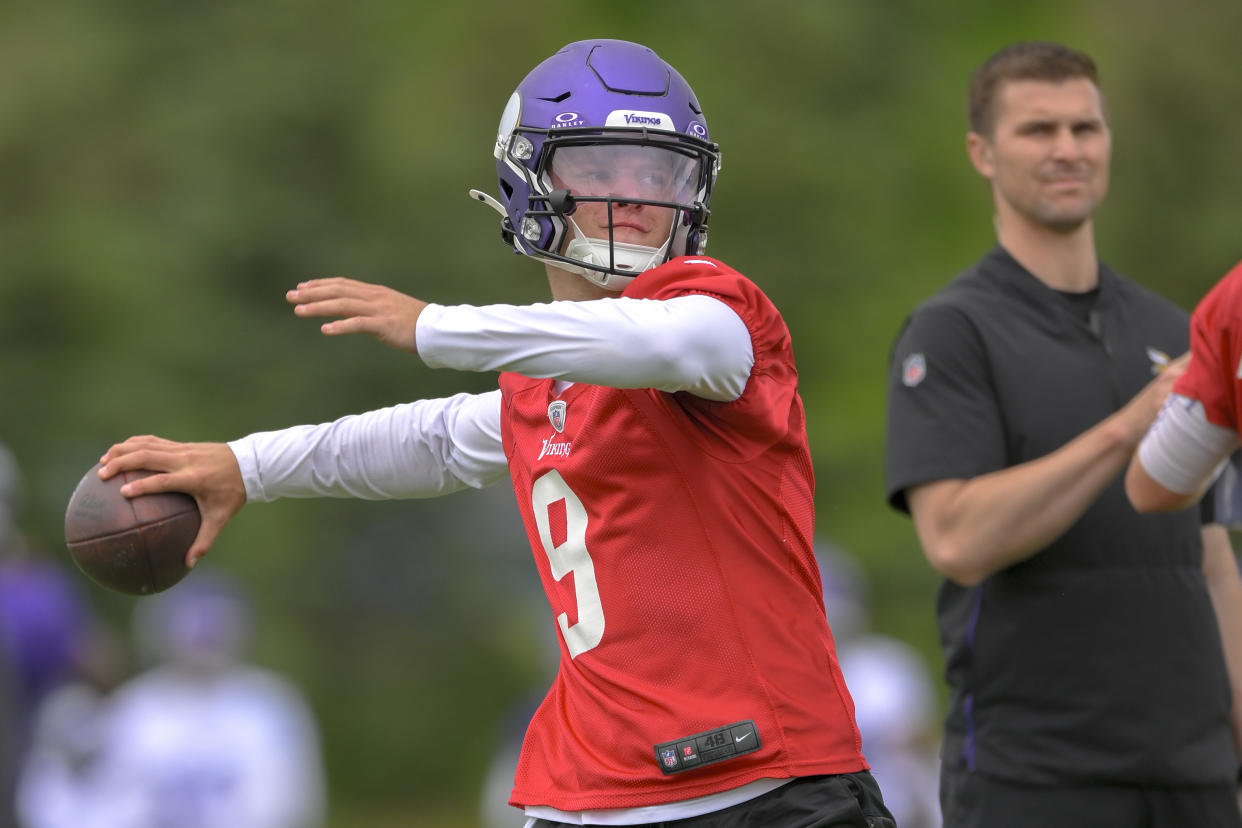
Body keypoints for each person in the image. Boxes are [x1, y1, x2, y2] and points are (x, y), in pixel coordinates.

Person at [96, 40, 893, 827]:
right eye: (602, 169)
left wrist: (434, 327)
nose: (638, 195)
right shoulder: (541, 388)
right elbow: (430, 439)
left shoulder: (718, 322)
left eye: (659, 172)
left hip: (767, 785)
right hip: (594, 790)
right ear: (528, 184)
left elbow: (655, 342)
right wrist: (246, 465)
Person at [883, 40, 1242, 827]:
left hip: (1198, 779)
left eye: (1086, 128)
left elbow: (1213, 563)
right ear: (982, 152)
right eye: (1038, 130)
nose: (1068, 149)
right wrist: (1126, 426)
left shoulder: (1173, 328)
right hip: (1036, 778)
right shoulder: (951, 334)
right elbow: (955, 540)